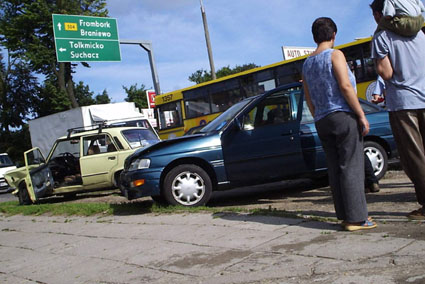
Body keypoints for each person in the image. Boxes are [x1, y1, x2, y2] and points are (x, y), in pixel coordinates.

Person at [302, 17, 377, 231]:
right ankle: (357, 218)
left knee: (335, 167)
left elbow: (308, 97)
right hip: (342, 115)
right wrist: (361, 114)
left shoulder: (307, 63)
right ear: (334, 35)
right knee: (351, 166)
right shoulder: (335, 55)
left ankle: (344, 215)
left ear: (315, 37)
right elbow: (345, 86)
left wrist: (318, 115)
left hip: (322, 119)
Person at [370, 0, 425, 220]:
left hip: (404, 103)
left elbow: (386, 73)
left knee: (415, 157)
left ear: (378, 15)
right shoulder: (420, 34)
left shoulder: (381, 37)